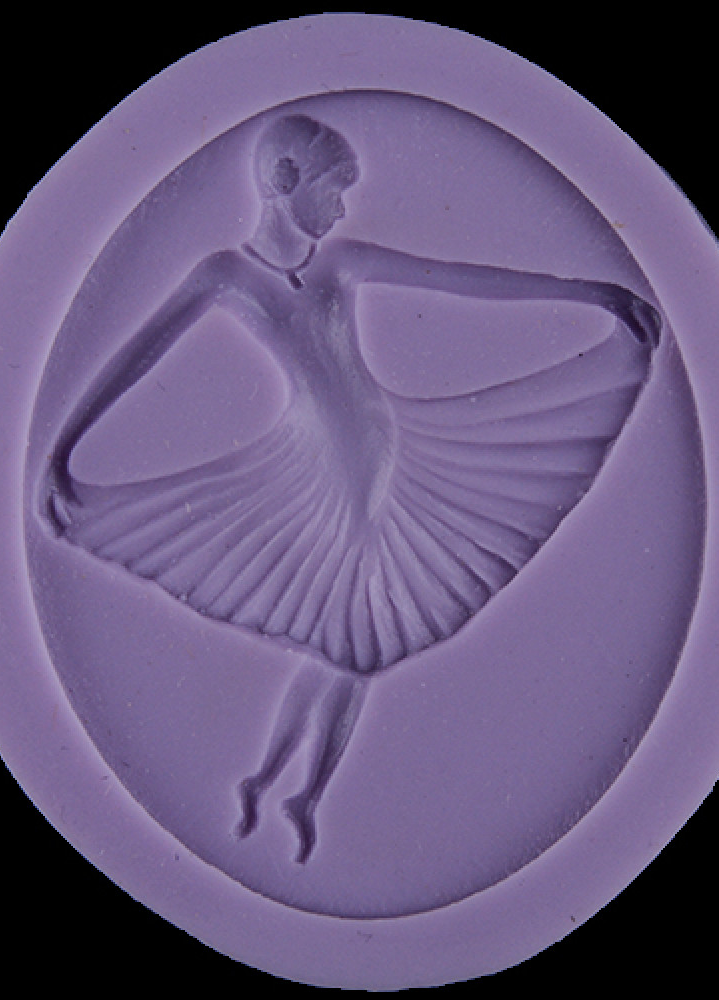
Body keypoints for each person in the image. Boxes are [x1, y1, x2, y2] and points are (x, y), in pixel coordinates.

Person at [40, 113, 660, 862]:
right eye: (332, 190)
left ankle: (283, 790)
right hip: (315, 479)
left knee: (353, 646)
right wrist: (62, 448)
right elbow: (140, 355)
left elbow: (458, 280)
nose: (341, 208)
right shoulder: (227, 276)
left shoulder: (339, 262)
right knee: (353, 648)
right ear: (284, 181)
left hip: (397, 462)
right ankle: (287, 791)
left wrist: (592, 291)